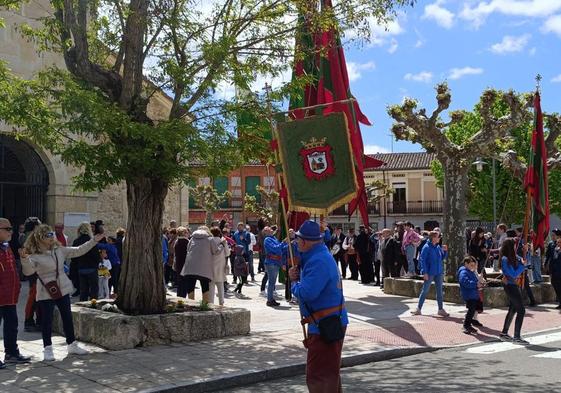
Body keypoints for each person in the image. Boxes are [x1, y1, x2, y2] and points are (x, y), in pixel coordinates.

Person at [20, 224, 103, 361]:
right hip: (46, 290)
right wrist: (24, 260)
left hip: (62, 288)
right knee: (47, 320)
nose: (52, 237)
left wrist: (93, 240)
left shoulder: (59, 250)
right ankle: (47, 348)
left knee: (67, 317)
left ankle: (72, 344)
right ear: (40, 238)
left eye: (52, 234)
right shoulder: (34, 255)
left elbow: (78, 250)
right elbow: (28, 272)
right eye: (48, 235)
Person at [288, 220, 348, 393]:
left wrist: (294, 284)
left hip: (324, 325)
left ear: (305, 241)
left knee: (319, 377)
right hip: (326, 322)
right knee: (328, 375)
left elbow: (307, 293)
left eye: (298, 239)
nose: (296, 242)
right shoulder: (318, 256)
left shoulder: (318, 260)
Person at [0, 218, 31, 367]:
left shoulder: (7, 247)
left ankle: (11, 353)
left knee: (12, 325)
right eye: (7, 229)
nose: (10, 232)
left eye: (11, 228)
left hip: (9, 296)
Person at [180, 226, 224, 302]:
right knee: (205, 287)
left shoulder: (192, 238)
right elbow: (216, 251)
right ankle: (205, 305)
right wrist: (222, 245)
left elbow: (188, 249)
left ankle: (191, 304)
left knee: (190, 288)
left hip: (190, 267)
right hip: (204, 269)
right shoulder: (210, 239)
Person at [412, 231, 449, 317]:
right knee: (425, 290)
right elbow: (422, 260)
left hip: (438, 272)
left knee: (439, 291)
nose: (439, 238)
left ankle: (440, 309)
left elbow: (442, 258)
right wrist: (425, 272)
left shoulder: (438, 247)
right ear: (433, 238)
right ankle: (418, 309)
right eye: (438, 237)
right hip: (429, 272)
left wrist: (445, 251)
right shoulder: (426, 247)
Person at [499, 238, 529, 344]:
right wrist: (522, 265)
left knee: (513, 309)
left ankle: (504, 333)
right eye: (515, 245)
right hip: (511, 286)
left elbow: (522, 259)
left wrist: (526, 251)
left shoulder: (512, 257)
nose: (516, 247)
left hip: (513, 285)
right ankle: (517, 336)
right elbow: (513, 274)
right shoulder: (505, 259)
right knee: (521, 310)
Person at [72, 223, 101, 301]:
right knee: (94, 290)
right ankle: (93, 306)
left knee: (83, 290)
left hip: (81, 268)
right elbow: (96, 255)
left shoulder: (76, 241)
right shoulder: (92, 241)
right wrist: (98, 262)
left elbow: (73, 257)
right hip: (91, 267)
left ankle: (82, 306)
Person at [263, 226, 288, 307]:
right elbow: (275, 249)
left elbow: (280, 249)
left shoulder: (274, 238)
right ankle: (269, 300)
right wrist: (283, 242)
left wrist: (287, 245)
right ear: (266, 232)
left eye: (270, 229)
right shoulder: (267, 240)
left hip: (275, 262)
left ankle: (271, 299)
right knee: (271, 282)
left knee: (272, 282)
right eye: (268, 229)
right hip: (271, 262)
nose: (271, 230)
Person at [458, 256, 483, 334]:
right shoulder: (463, 272)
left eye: (474, 265)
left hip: (473, 294)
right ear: (466, 264)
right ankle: (466, 325)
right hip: (469, 295)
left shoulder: (470, 271)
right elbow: (465, 282)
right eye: (471, 265)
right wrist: (476, 284)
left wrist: (479, 283)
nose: (473, 267)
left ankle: (469, 324)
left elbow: (474, 281)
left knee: (472, 310)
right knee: (471, 311)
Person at [208, 227, 230, 306]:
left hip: (210, 265)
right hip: (221, 265)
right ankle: (221, 302)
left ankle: (211, 303)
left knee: (211, 286)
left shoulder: (209, 241)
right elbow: (227, 253)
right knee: (220, 286)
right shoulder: (223, 241)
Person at [173, 227, 190, 298]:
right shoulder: (186, 242)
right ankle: (182, 298)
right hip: (185, 265)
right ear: (183, 233)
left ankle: (179, 298)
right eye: (186, 232)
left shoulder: (177, 242)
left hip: (178, 264)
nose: (188, 233)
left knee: (180, 283)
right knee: (185, 284)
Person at [550, 237, 561, 309]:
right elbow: (553, 260)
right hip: (554, 271)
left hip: (560, 272)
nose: (558, 244)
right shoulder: (555, 250)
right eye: (557, 242)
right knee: (555, 285)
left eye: (559, 242)